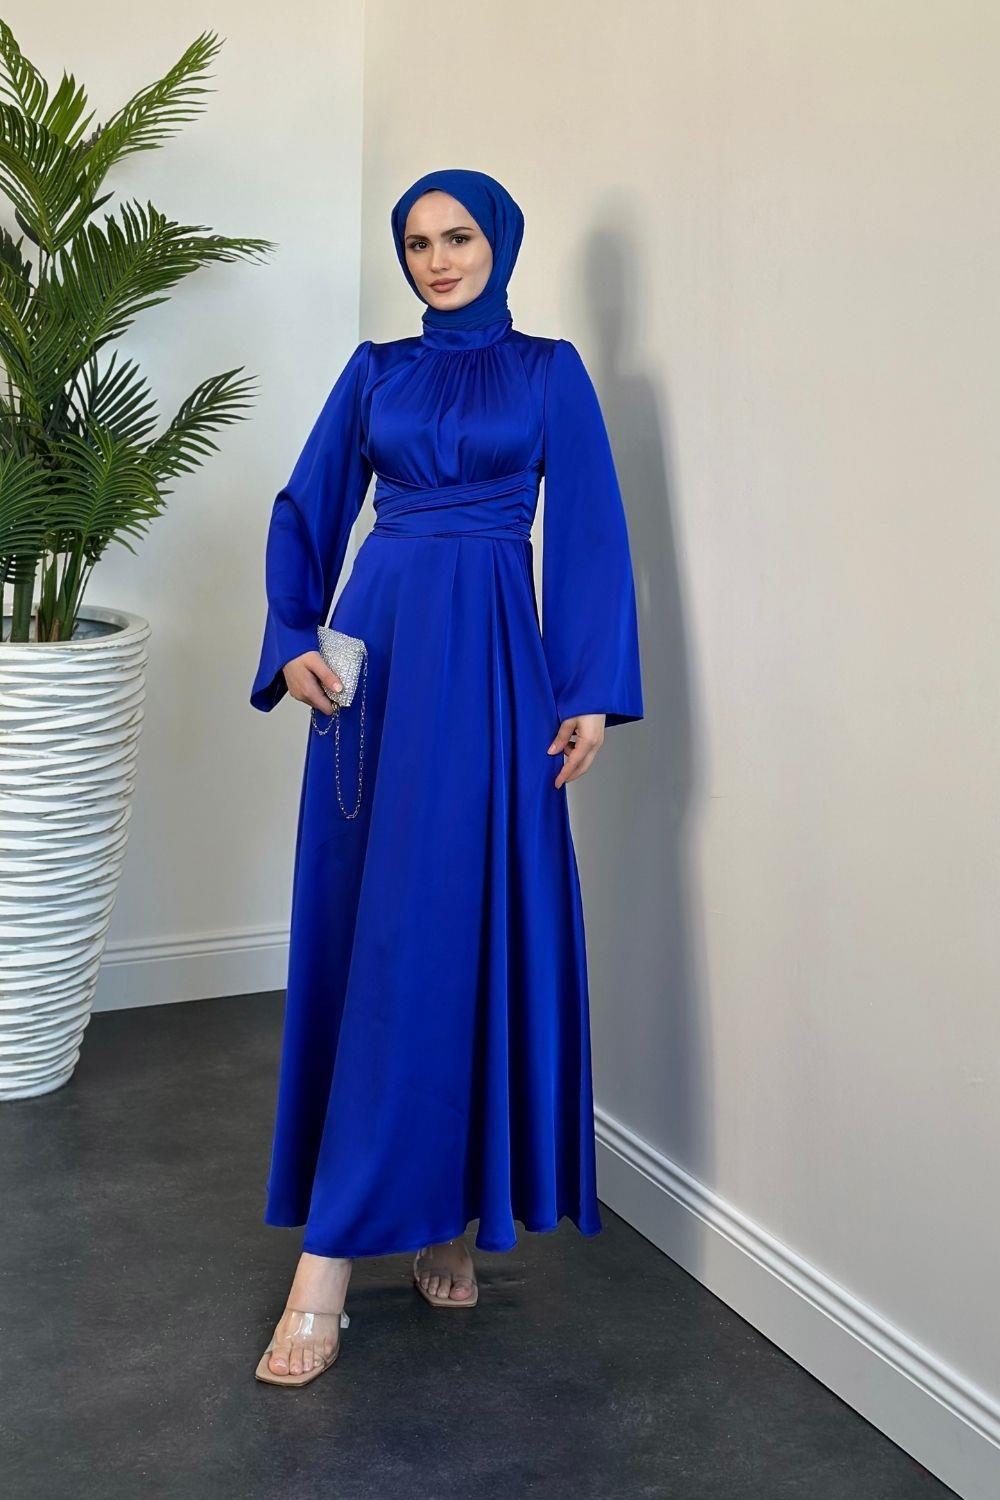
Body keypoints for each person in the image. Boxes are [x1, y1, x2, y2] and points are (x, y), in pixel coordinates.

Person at [250, 168, 644, 1386]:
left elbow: (590, 534)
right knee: (376, 938)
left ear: (498, 242)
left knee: (470, 931)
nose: (437, 259)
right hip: (377, 661)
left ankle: (452, 1213)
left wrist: (586, 690)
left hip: (494, 672)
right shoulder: (376, 372)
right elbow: (307, 505)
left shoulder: (549, 372)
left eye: (457, 236)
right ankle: (327, 1260)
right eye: (417, 241)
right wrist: (292, 633)